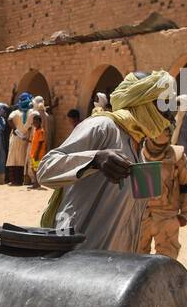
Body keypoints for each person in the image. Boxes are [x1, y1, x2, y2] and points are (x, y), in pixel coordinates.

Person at [37, 70, 179, 252]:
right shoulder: (102, 127)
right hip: (78, 256)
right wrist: (95, 159)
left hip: (113, 265)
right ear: (141, 100)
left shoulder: (141, 150)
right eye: (163, 104)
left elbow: (140, 212)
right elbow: (45, 170)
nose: (169, 115)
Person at [136, 132, 187, 258]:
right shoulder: (137, 153)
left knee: (166, 261)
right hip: (141, 216)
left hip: (167, 216)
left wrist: (185, 214)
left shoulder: (178, 156)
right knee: (136, 260)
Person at [6, 93, 34, 185]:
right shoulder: (31, 113)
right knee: (21, 159)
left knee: (13, 159)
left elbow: (9, 119)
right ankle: (20, 180)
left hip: (16, 137)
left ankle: (14, 181)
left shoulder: (16, 112)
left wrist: (15, 129)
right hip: (24, 139)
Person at [27, 112, 47, 190]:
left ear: (40, 122)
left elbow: (40, 143)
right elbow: (35, 141)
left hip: (38, 154)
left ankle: (37, 183)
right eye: (34, 122)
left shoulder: (41, 131)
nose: (34, 123)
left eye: (36, 122)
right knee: (33, 169)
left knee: (36, 169)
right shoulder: (36, 130)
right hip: (34, 153)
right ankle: (36, 183)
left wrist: (36, 154)